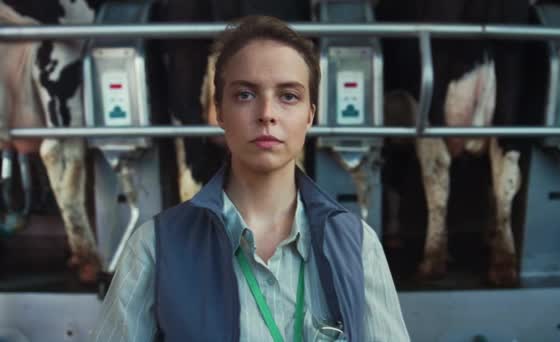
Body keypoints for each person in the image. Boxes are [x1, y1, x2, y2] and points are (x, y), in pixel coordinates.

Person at [91, 15, 410, 341]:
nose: (266, 113)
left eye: (288, 96)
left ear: (310, 114)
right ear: (219, 111)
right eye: (245, 94)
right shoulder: (153, 249)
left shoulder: (357, 246)